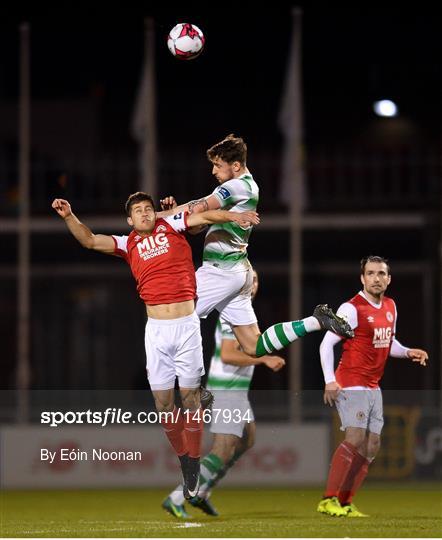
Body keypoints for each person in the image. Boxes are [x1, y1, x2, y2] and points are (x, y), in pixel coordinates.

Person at [51, 193, 259, 499]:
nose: (145, 214)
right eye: (138, 211)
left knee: (189, 400)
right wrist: (69, 216)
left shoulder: (171, 225)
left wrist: (231, 216)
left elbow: (202, 217)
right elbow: (90, 240)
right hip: (157, 331)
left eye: (148, 209)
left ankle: (195, 462)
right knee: (163, 405)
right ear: (130, 220)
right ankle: (185, 460)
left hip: (187, 326)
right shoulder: (127, 243)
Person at [159, 134, 354, 361]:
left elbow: (199, 207)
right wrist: (176, 215)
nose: (214, 171)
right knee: (253, 345)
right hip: (239, 271)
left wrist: (159, 216)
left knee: (173, 317)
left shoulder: (236, 186)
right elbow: (197, 222)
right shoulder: (246, 187)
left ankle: (191, 386)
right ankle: (315, 321)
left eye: (217, 165)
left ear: (236, 165)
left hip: (220, 271)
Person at [162, 269, 285, 518]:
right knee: (222, 450)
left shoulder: (242, 314)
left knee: (247, 440)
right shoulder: (233, 315)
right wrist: (264, 360)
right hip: (226, 390)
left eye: (255, 280)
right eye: (249, 279)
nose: (252, 285)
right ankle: (177, 497)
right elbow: (228, 354)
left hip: (236, 391)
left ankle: (202, 493)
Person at [316, 255, 428, 518]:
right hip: (350, 382)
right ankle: (327, 499)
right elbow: (325, 344)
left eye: (381, 274)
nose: (376, 278)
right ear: (362, 278)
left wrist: (409, 351)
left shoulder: (390, 305)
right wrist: (329, 380)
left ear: (388, 279)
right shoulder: (351, 308)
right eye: (370, 273)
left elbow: (388, 343)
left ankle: (345, 502)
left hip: (372, 386)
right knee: (355, 438)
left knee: (372, 445)